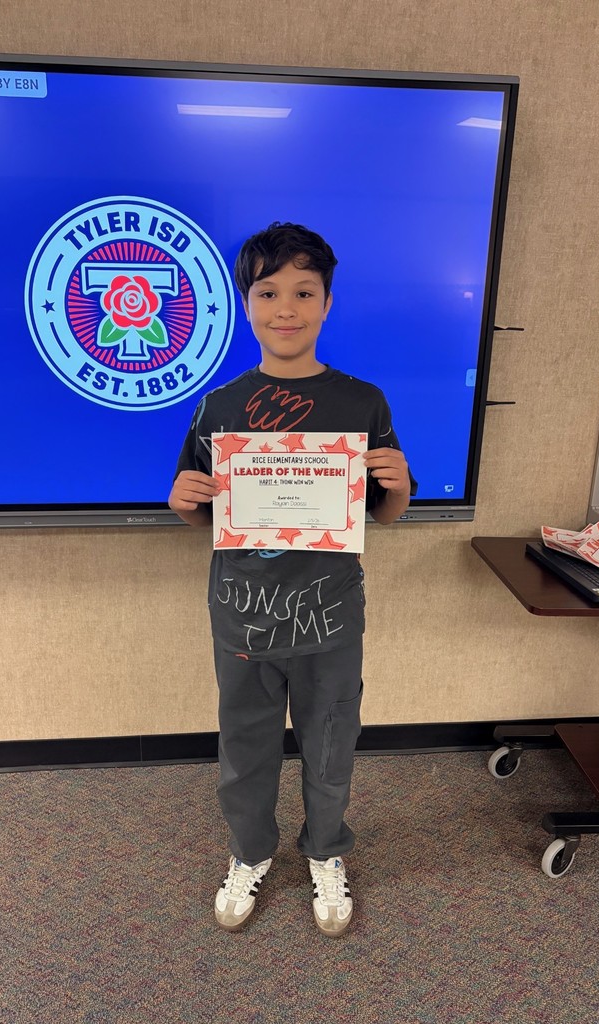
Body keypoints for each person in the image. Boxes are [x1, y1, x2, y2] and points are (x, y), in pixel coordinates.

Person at [169, 222, 413, 936]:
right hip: (242, 615)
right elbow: (202, 516)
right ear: (246, 304)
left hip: (330, 617)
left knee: (331, 743)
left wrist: (399, 486)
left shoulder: (362, 402)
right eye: (269, 291)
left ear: (328, 303)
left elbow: (385, 513)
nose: (286, 307)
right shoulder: (219, 406)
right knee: (245, 748)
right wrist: (183, 503)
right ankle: (250, 852)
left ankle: (326, 850)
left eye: (304, 292)